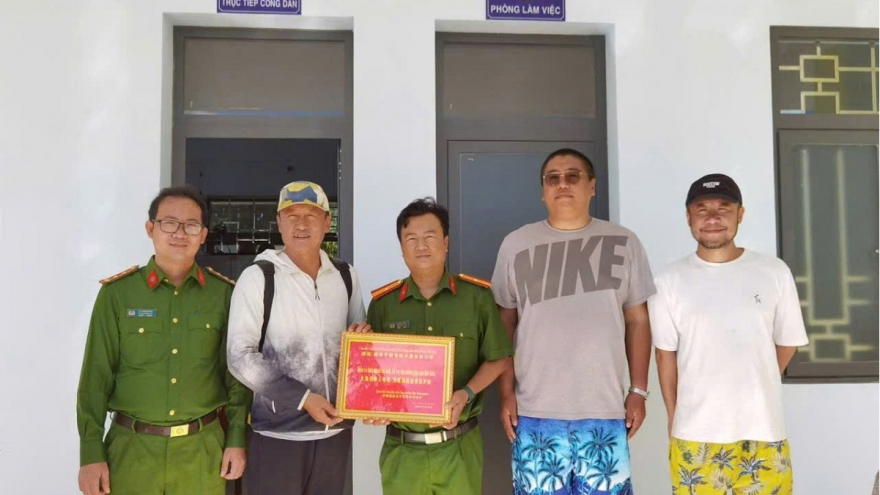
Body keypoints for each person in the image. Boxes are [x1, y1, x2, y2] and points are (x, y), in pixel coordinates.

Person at [491, 148, 655, 495]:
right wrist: (505, 393)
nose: (562, 184)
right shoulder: (516, 245)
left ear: (592, 186)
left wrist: (638, 390)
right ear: (543, 191)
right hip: (534, 413)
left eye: (572, 176)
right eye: (553, 178)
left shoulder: (624, 242)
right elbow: (504, 323)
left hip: (604, 411)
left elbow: (638, 320)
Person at [76, 186, 251, 495]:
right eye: (169, 223)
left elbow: (236, 375)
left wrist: (236, 438)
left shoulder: (223, 294)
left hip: (202, 453)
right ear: (150, 229)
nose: (180, 233)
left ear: (203, 234)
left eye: (191, 225)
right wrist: (90, 453)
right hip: (131, 452)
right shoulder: (117, 295)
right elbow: (95, 377)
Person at [649, 173, 809, 495]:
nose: (712, 218)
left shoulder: (773, 272)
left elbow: (788, 341)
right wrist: (674, 417)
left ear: (740, 214)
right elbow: (665, 354)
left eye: (724, 208)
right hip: (695, 435)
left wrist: (758, 378)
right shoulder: (668, 281)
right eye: (702, 209)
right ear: (688, 217)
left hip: (765, 433)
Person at [226, 180, 368, 495]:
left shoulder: (345, 276)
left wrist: (363, 342)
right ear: (279, 222)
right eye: (292, 216)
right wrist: (304, 399)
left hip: (334, 434)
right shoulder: (259, 277)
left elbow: (358, 348)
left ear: (327, 222)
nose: (301, 225)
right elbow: (239, 357)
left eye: (311, 216)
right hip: (277, 436)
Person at [365, 197, 513, 495]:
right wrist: (374, 405)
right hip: (402, 452)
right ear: (402, 248)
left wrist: (466, 393)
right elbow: (373, 373)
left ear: (445, 242)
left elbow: (499, 358)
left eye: (429, 236)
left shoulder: (476, 297)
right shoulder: (383, 305)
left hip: (459, 448)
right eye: (411, 239)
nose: (421, 246)